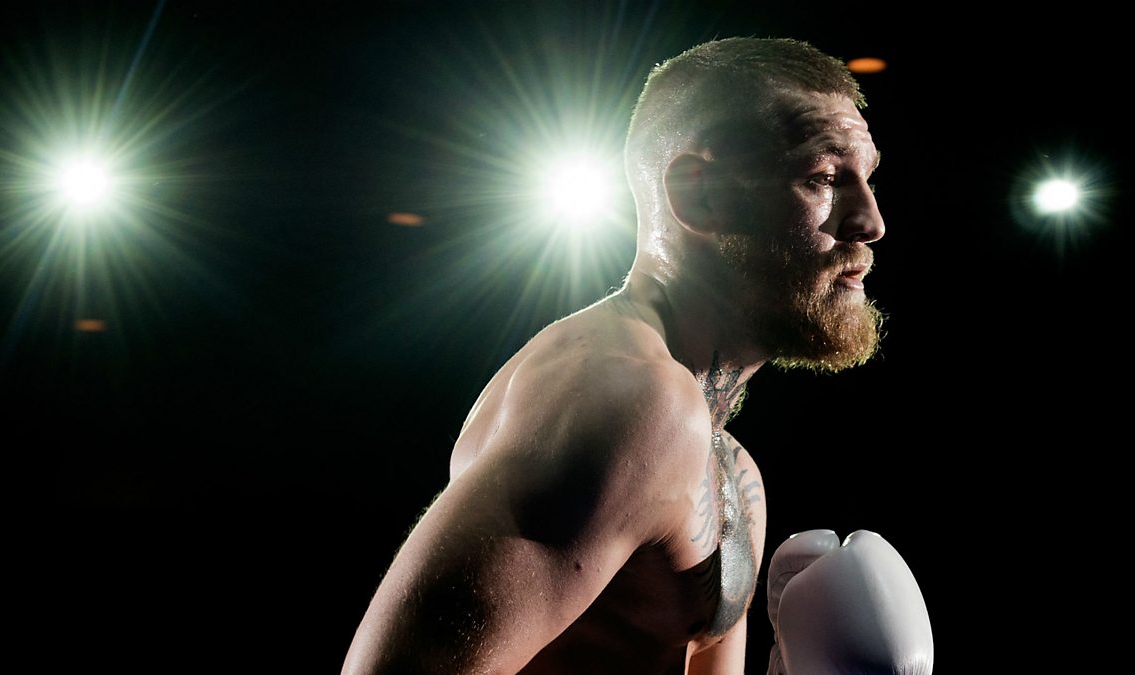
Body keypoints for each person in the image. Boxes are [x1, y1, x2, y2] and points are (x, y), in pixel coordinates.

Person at [342, 37, 933, 674]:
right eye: (823, 178)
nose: (871, 221)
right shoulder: (627, 400)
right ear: (699, 195)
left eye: (867, 178)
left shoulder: (728, 465)